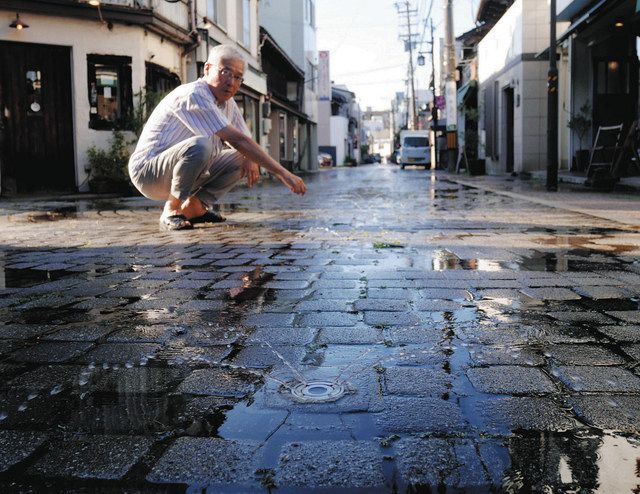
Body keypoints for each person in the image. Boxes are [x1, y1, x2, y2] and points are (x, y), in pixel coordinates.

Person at [128, 44, 307, 231]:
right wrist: (283, 174)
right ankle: (172, 209)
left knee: (244, 156)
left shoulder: (227, 103)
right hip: (148, 172)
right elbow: (238, 140)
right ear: (207, 68)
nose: (231, 82)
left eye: (238, 77)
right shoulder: (194, 94)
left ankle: (195, 207)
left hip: (182, 172)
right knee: (201, 145)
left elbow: (245, 140)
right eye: (225, 72)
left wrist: (248, 157)